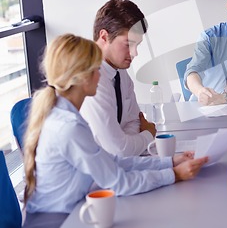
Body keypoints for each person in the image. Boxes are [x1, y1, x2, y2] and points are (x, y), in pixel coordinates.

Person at [22, 34, 208, 227]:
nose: (100, 75)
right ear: (82, 78)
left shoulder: (65, 114)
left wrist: (169, 162)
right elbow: (119, 183)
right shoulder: (69, 127)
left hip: (70, 210)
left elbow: (113, 162)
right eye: (96, 69)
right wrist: (175, 175)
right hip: (58, 221)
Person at [80, 0, 156, 156]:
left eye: (137, 45)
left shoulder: (120, 71)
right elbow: (118, 150)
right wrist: (148, 135)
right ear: (104, 36)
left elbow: (134, 121)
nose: (135, 53)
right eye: (128, 44)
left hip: (117, 167)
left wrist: (128, 142)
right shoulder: (90, 81)